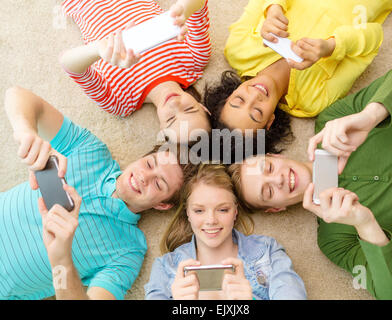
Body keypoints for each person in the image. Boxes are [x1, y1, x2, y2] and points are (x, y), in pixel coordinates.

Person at [228, 60, 392, 299]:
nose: (277, 179)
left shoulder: (333, 121)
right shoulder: (334, 241)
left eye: (268, 167)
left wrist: (369, 116)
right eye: (268, 192)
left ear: (274, 155)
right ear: (276, 209)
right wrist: (365, 223)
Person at [0, 86, 195, 300]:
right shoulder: (90, 149)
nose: (143, 177)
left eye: (158, 184)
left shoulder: (129, 251)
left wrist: (61, 258)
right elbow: (16, 95)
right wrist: (26, 132)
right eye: (149, 164)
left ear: (162, 205)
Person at [205, 0, 392, 151]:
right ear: (270, 121)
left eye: (239, 99)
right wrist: (332, 46)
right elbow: (375, 37)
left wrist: (273, 9)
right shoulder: (312, 101)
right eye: (257, 112)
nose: (255, 95)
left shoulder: (238, 50)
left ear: (229, 93)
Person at [144, 164, 307, 300]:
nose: (211, 220)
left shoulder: (268, 252)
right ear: (188, 213)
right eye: (199, 211)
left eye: (222, 209)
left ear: (235, 211)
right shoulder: (165, 267)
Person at [60, 0, 212, 143]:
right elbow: (199, 5)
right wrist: (183, 9)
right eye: (189, 109)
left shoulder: (120, 102)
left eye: (171, 119)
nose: (174, 104)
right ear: (203, 107)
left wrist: (99, 49)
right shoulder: (195, 59)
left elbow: (68, 64)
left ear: (162, 129)